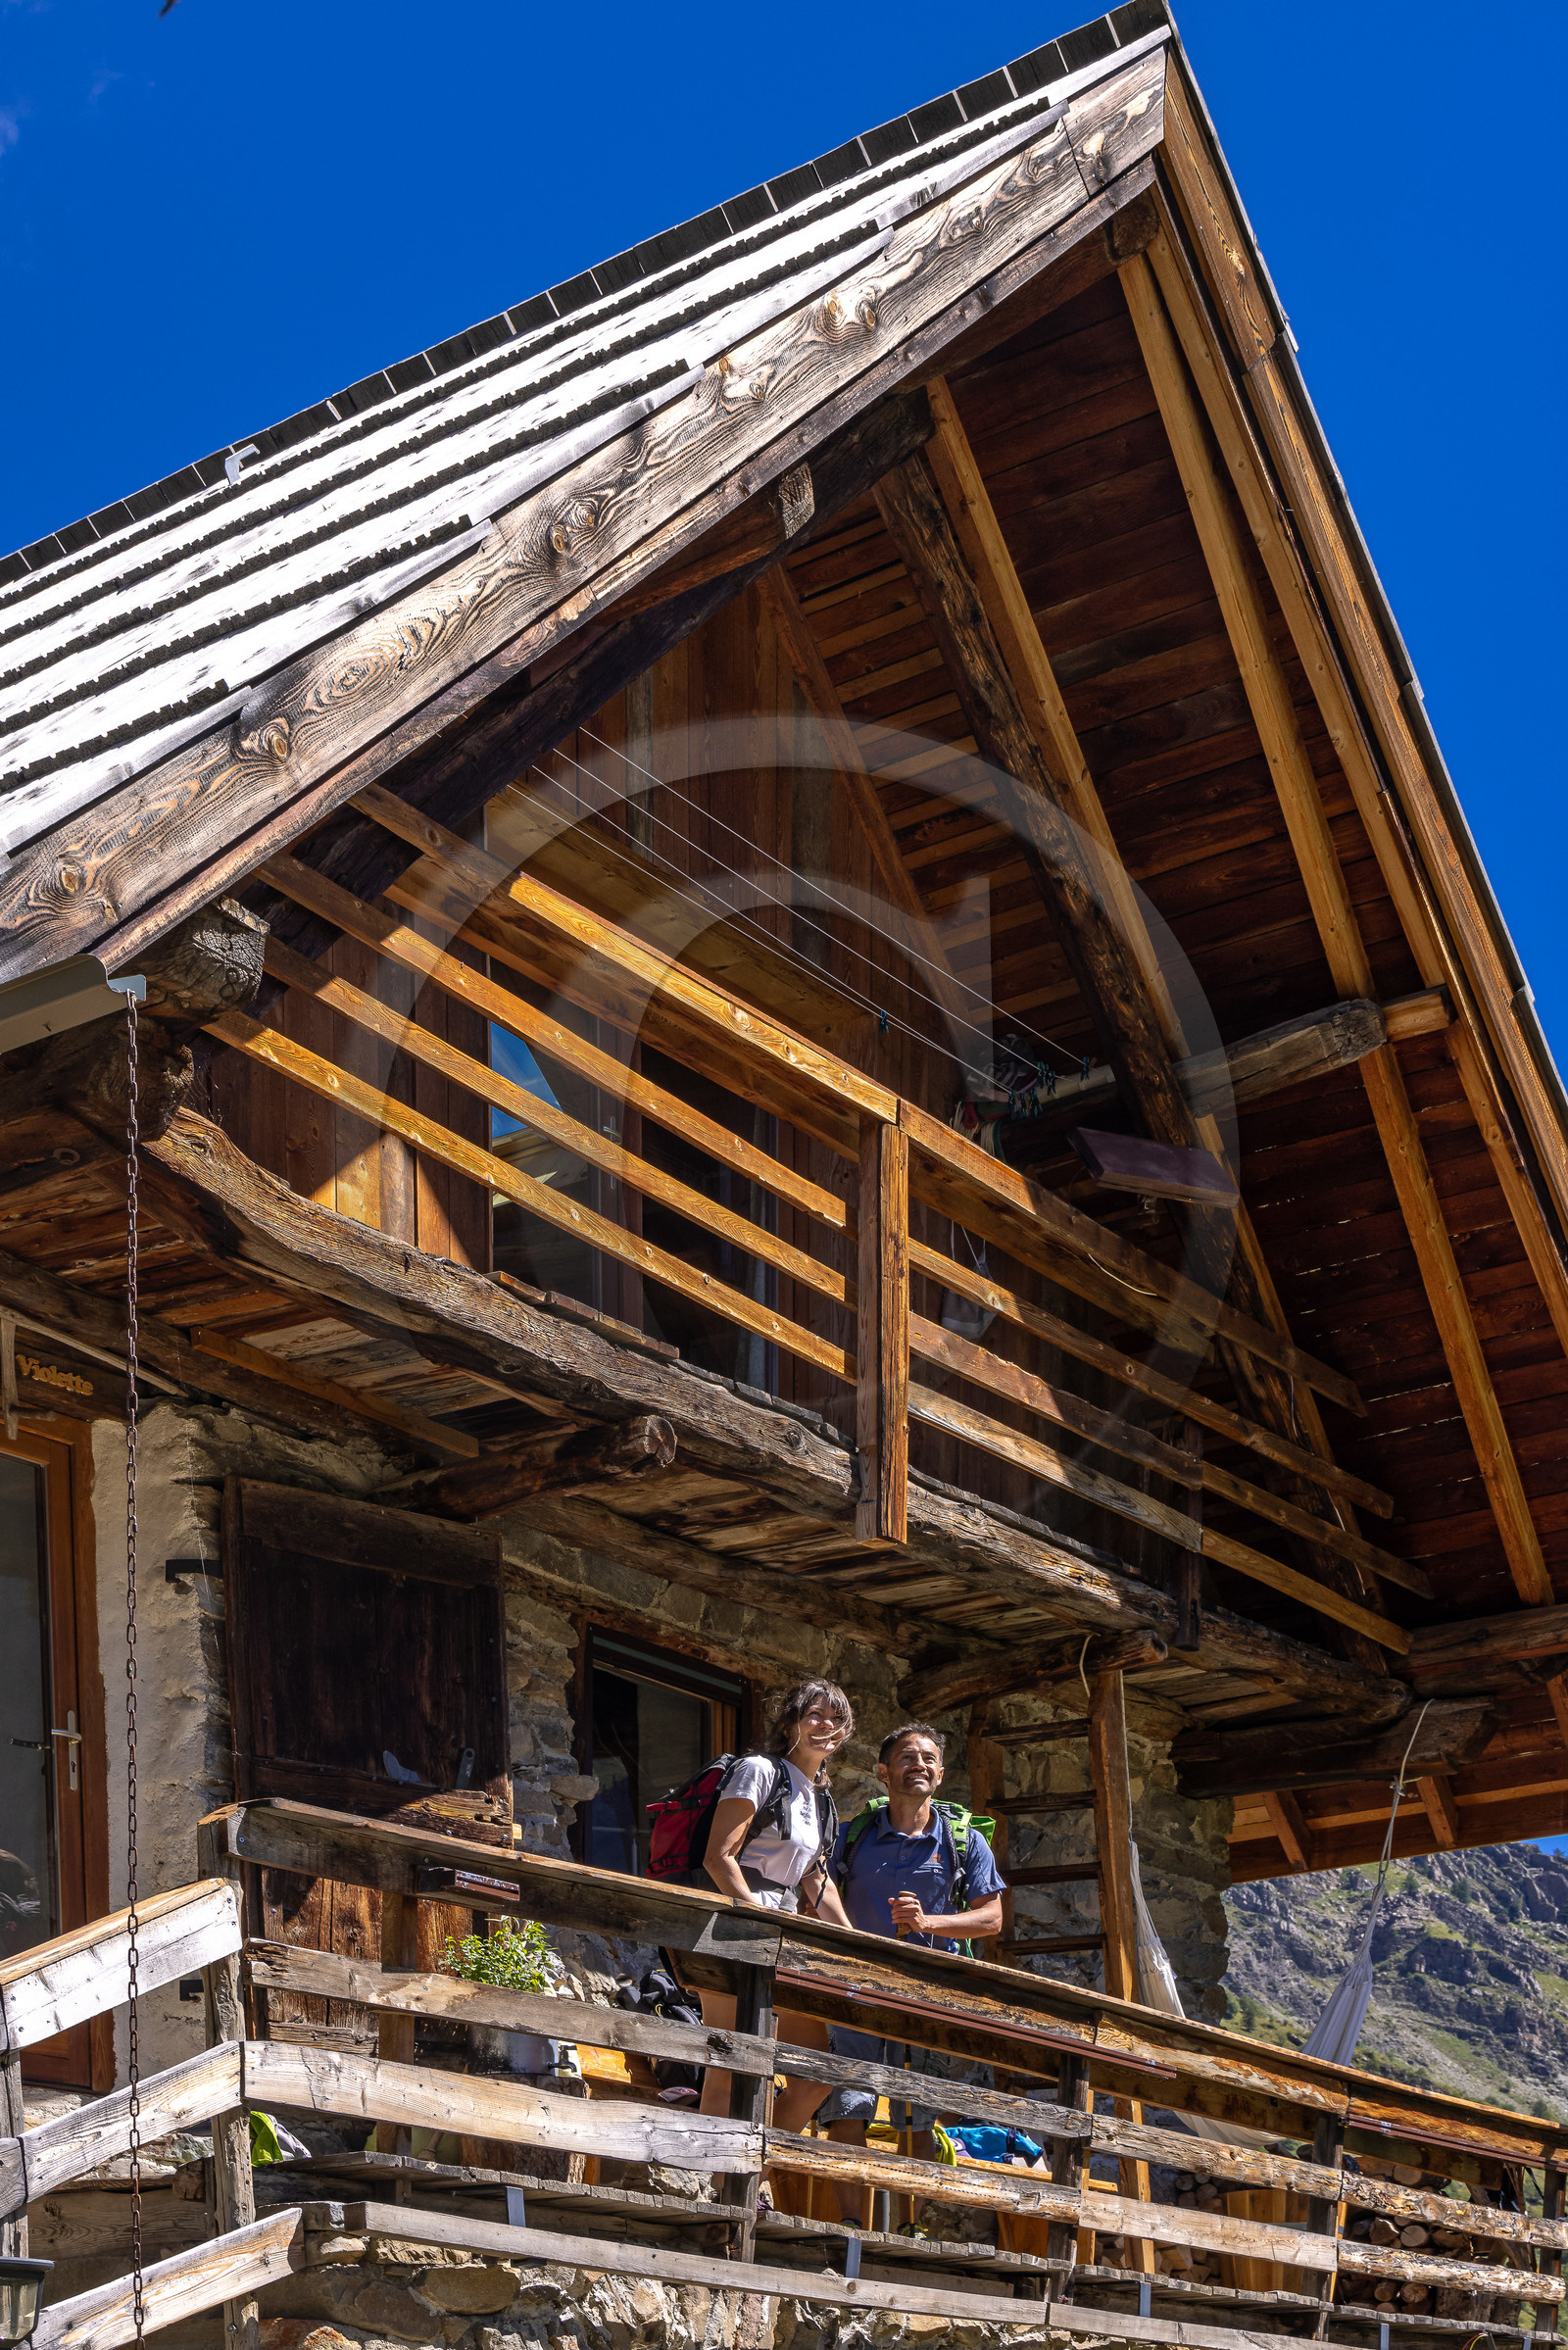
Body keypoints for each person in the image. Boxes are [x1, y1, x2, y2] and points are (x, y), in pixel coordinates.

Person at [817, 1721, 1005, 2228]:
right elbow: (820, 1891)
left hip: (929, 1995)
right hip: (855, 1987)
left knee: (917, 2114)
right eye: (905, 1757)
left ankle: (910, 2225)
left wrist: (930, 1922)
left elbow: (992, 1918)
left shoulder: (963, 1841)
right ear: (883, 1772)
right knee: (849, 2105)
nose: (917, 1765)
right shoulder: (855, 1836)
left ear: (940, 1774)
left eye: (927, 1758)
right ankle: (852, 2225)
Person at [692, 1677, 855, 2130]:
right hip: (734, 1928)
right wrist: (753, 1918)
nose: (827, 1724)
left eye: (837, 1718)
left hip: (782, 1937)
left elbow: (815, 1878)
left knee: (816, 2075)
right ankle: (707, 2183)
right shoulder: (758, 1770)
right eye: (815, 1715)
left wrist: (852, 1941)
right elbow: (718, 1857)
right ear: (790, 1725)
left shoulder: (820, 1798)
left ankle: (751, 2168)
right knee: (732, 2060)